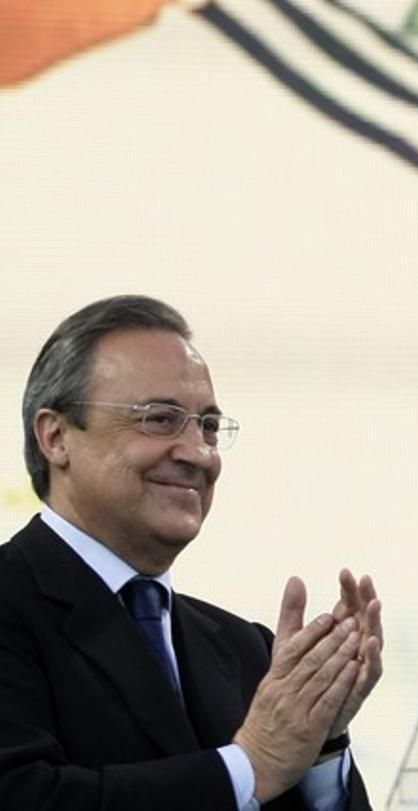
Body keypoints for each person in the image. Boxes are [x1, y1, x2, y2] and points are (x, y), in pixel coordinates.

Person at [0, 295, 384, 810]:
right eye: (160, 419)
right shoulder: (12, 603)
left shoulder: (247, 650)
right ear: (56, 437)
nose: (198, 453)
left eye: (206, 426)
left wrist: (320, 744)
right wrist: (251, 765)